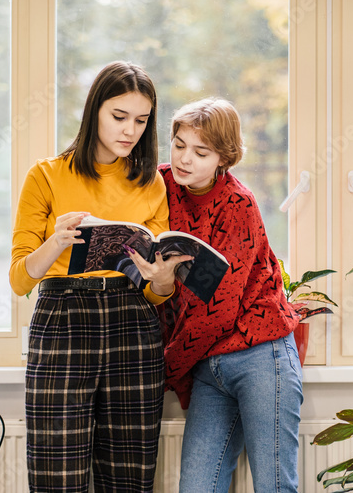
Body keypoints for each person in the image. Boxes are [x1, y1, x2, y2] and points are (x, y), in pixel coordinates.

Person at [10, 61, 184, 493]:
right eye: (119, 117)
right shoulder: (46, 175)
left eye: (141, 121)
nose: (130, 130)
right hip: (62, 318)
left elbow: (159, 294)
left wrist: (162, 277)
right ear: (94, 112)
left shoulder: (150, 183)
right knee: (57, 476)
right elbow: (19, 279)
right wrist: (57, 241)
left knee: (130, 477)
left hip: (133, 322)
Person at [128, 97, 302, 493]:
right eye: (178, 144)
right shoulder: (161, 183)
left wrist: (166, 366)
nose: (184, 159)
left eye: (200, 151)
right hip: (208, 365)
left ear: (224, 157)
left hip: (261, 356)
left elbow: (220, 311)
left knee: (275, 486)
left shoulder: (237, 203)